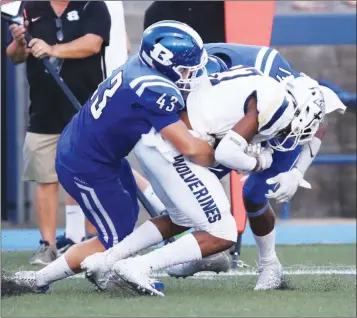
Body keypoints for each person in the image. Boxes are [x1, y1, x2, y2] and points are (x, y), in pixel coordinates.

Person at [80, 50, 338, 296]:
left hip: (190, 137)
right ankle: (149, 263)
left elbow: (319, 119)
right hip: (192, 140)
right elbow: (224, 152)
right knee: (220, 227)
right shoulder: (229, 80)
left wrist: (296, 172)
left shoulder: (289, 91)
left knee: (196, 211)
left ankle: (106, 259)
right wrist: (256, 162)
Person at [4, 20, 214, 295]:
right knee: (114, 241)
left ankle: (99, 270)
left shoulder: (139, 67)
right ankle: (37, 280)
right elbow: (191, 148)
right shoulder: (153, 89)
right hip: (87, 164)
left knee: (125, 223)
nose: (189, 74)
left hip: (97, 153)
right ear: (166, 63)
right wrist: (227, 149)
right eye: (185, 68)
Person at [166, 43, 347, 290]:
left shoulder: (273, 78)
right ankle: (210, 251)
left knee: (254, 194)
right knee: (191, 176)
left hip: (277, 124)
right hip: (233, 122)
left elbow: (318, 117)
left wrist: (297, 172)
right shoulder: (194, 75)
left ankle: (269, 265)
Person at [6, 0, 111, 264]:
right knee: (45, 179)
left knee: (90, 174)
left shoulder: (92, 5)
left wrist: (52, 49)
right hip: (43, 110)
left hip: (86, 109)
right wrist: (20, 42)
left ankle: (92, 239)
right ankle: (47, 245)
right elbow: (15, 56)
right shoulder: (31, 7)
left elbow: (93, 44)